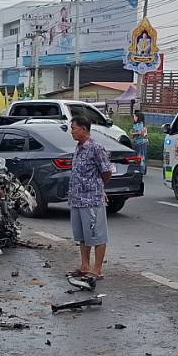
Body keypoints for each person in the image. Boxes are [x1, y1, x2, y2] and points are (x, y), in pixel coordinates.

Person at [66, 117, 114, 282]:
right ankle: (85, 266)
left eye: (74, 128)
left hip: (91, 199)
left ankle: (97, 269)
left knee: (97, 235)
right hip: (76, 199)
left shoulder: (96, 148)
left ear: (84, 129)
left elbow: (107, 172)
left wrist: (97, 187)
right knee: (82, 236)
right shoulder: (78, 148)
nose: (71, 131)